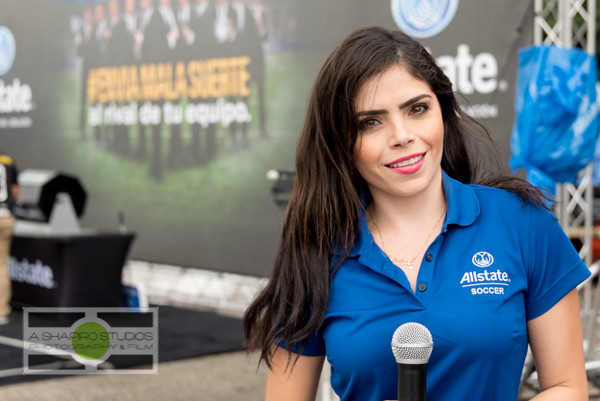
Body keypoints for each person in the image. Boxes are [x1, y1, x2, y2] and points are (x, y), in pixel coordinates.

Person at [242, 26, 590, 401]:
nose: (401, 135)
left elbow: (566, 387)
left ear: (442, 111)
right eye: (370, 122)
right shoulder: (316, 251)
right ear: (341, 142)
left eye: (417, 109)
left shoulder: (521, 222)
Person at [0, 151, 18, 325]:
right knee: (2, 265)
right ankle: (2, 311)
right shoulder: (7, 159)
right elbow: (14, 190)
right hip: (5, 216)